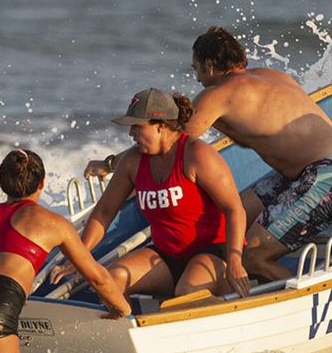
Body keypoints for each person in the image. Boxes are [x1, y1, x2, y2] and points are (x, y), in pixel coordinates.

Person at [86, 28, 332, 282]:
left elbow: (166, 138)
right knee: (225, 220)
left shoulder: (217, 95)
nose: (196, 78)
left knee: (251, 255)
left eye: (196, 69)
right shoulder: (270, 75)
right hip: (320, 171)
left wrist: (110, 164)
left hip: (331, 178)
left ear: (209, 65)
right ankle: (214, 278)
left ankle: (299, 299)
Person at [0, 148, 131, 353]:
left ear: (3, 183)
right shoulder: (53, 223)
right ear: (41, 183)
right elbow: (97, 277)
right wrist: (121, 310)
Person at [61, 89, 249, 300]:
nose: (131, 134)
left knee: (186, 294)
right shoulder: (133, 161)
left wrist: (235, 262)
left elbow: (234, 209)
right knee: (111, 282)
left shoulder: (197, 154)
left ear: (161, 125)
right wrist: (81, 255)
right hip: (167, 256)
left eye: (137, 126)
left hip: (213, 253)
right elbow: (104, 212)